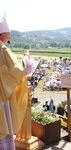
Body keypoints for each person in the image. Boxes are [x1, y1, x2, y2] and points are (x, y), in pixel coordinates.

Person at [0, 12, 30, 149]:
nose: (10, 37)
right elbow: (17, 70)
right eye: (9, 34)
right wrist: (26, 59)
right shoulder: (3, 49)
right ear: (2, 36)